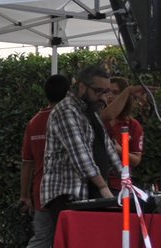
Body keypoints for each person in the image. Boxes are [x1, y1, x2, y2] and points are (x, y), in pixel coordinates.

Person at [8, 74, 70, 248]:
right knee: (68, 241)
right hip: (64, 191)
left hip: (40, 190)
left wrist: (25, 195)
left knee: (40, 239)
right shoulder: (67, 119)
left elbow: (27, 163)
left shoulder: (34, 121)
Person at [39, 66, 123, 216]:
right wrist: (104, 187)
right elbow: (80, 155)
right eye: (98, 91)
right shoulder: (66, 111)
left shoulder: (90, 110)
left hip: (89, 192)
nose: (102, 96)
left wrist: (126, 179)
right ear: (82, 86)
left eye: (105, 91)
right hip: (67, 193)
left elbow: (107, 147)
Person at [102, 75, 146, 191]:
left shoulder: (133, 125)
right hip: (97, 183)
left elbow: (136, 159)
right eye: (107, 91)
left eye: (115, 92)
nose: (110, 96)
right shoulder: (98, 118)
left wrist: (120, 151)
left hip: (119, 185)